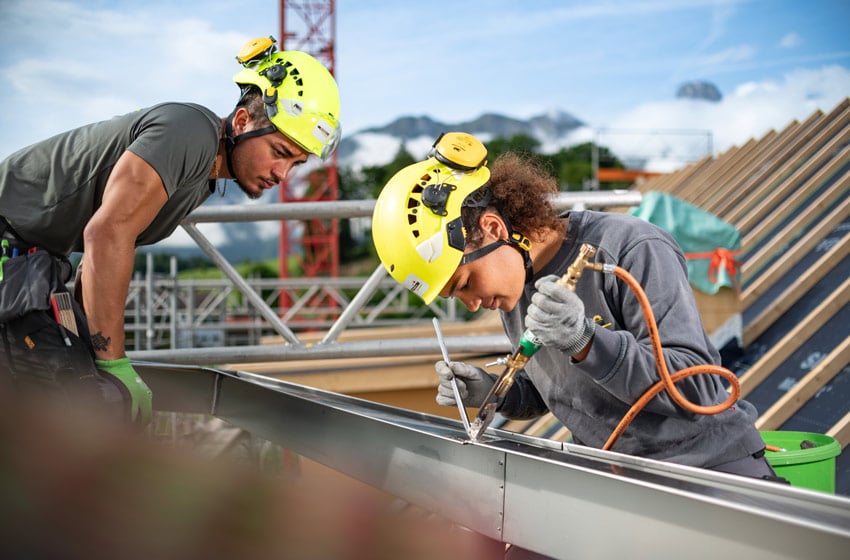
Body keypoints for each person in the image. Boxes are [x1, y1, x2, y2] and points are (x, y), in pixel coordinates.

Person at [371, 132, 778, 481]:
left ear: (493, 230)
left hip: (708, 473)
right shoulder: (514, 283)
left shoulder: (631, 249)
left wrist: (587, 342)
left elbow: (699, 390)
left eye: (464, 284)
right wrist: (495, 393)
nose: (474, 303)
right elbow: (566, 392)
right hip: (617, 478)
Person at [0, 36, 341, 426]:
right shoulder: (190, 131)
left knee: (82, 400)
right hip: (11, 242)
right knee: (67, 411)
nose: (283, 175)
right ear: (243, 121)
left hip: (34, 260)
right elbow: (107, 234)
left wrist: (89, 350)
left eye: (296, 164)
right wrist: (113, 364)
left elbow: (97, 255)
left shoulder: (205, 178)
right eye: (280, 153)